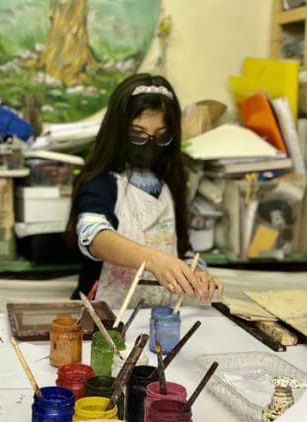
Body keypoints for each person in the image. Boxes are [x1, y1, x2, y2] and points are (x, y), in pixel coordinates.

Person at [70, 73, 222, 309]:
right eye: (137, 135)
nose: (149, 144)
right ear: (119, 131)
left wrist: (196, 273)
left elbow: (182, 246)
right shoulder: (102, 180)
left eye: (161, 136)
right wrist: (153, 260)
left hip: (159, 310)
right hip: (105, 312)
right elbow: (94, 236)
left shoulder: (170, 181)